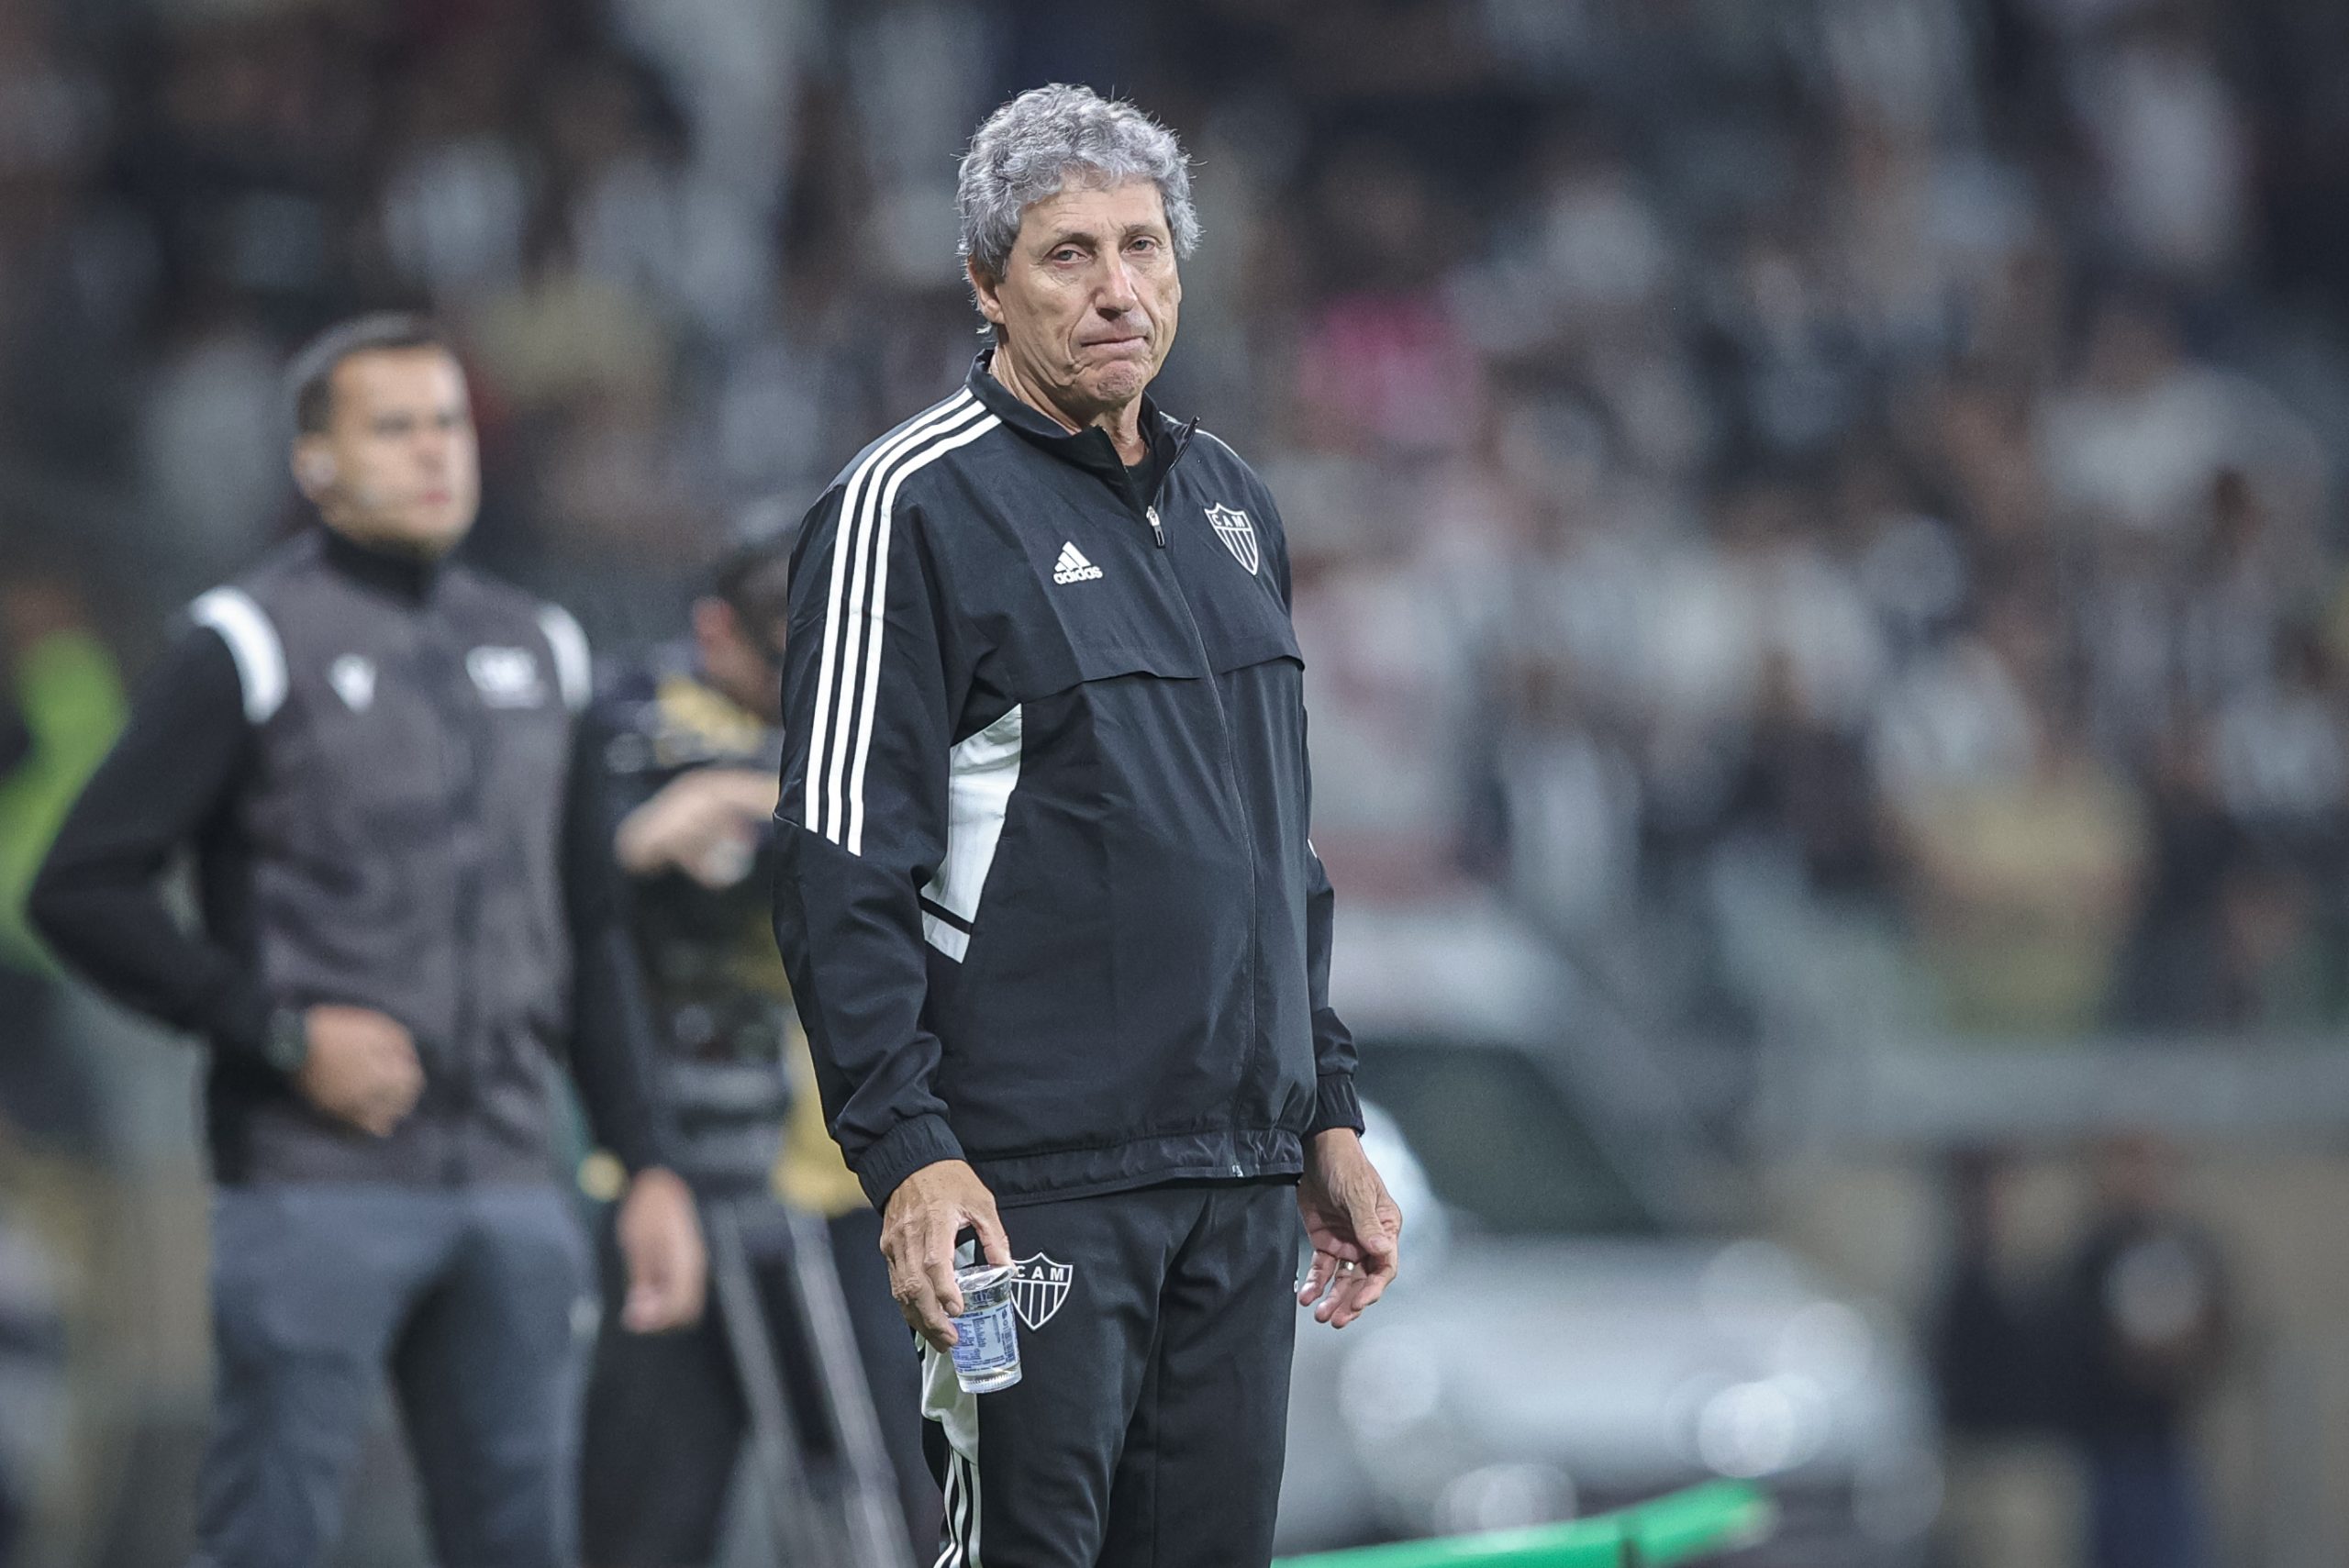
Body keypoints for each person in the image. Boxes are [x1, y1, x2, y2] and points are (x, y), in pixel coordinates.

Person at [772, 84, 1401, 1567]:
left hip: (1237, 1179)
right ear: (986, 284)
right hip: (1029, 1179)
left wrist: (1320, 1105)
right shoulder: (904, 506)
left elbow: (1275, 848)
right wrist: (909, 1147)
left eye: (1142, 246)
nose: (1117, 287)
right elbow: (832, 864)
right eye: (1066, 255)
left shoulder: (1237, 502)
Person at [27, 313, 705, 1568]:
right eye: (392, 428)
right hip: (312, 1180)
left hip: (511, 1182)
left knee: (522, 1545)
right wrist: (280, 1035)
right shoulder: (245, 643)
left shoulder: (538, 644)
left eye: (448, 423)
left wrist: (647, 1162)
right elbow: (80, 889)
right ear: (316, 463)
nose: (434, 452)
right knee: (271, 1540)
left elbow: (592, 930)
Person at [577, 534, 932, 1567]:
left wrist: (731, 802)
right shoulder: (628, 718)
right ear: (716, 637)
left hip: (850, 1187)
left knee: (891, 1487)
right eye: (791, 661)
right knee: (655, 1502)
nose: (814, 687)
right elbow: (608, 856)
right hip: (667, 1180)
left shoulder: (866, 714)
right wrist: (656, 831)